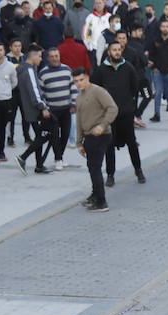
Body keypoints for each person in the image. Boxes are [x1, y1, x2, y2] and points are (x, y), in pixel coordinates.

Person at [92, 40, 145, 184]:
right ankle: (110, 175)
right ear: (108, 52)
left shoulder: (128, 67)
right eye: (113, 49)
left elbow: (135, 88)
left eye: (119, 49)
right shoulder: (101, 69)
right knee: (109, 145)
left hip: (126, 113)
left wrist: (128, 104)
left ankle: (138, 170)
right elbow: (95, 90)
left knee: (132, 143)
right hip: (108, 116)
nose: (116, 52)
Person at [72, 67, 117, 211]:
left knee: (95, 167)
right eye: (76, 81)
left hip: (101, 135)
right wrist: (79, 142)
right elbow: (79, 121)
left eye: (81, 80)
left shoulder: (98, 91)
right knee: (92, 167)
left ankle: (101, 202)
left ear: (87, 78)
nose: (79, 83)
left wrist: (103, 125)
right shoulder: (79, 97)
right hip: (89, 136)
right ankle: (95, 195)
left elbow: (112, 108)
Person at [15, 43, 54, 172]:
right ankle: (23, 157)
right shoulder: (29, 70)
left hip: (30, 109)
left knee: (39, 136)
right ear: (33, 56)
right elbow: (34, 93)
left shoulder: (24, 69)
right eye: (40, 56)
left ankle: (39, 165)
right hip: (35, 110)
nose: (41, 59)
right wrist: (43, 107)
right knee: (44, 135)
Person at [38, 45, 77, 168]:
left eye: (57, 56)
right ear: (48, 58)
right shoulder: (43, 73)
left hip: (66, 108)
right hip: (52, 110)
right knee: (55, 135)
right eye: (52, 56)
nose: (55, 58)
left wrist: (74, 104)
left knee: (65, 134)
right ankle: (58, 159)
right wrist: (45, 108)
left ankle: (59, 156)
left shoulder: (67, 70)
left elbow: (73, 88)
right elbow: (41, 93)